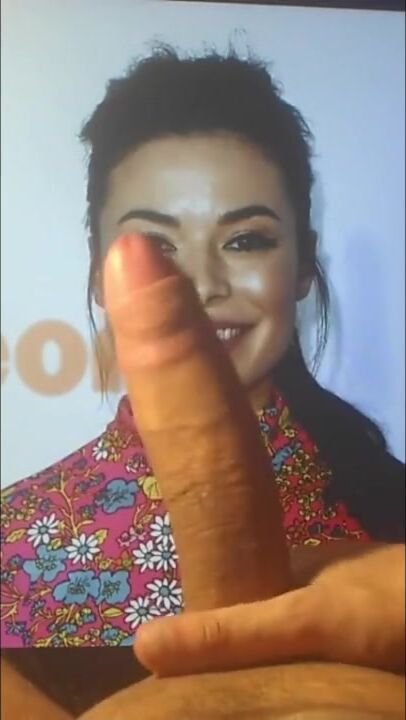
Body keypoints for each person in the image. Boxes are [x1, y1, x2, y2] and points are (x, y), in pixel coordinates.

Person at [1, 46, 404, 651]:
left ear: (301, 266)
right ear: (97, 273)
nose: (202, 286)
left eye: (245, 241)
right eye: (156, 247)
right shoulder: (13, 543)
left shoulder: (387, 518)